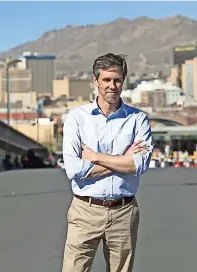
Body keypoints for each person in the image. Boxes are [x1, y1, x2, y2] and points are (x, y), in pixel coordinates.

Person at [62, 53, 153, 272]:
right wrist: (123, 158)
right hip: (85, 211)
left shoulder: (138, 119)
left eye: (117, 80)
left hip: (124, 212)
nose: (112, 85)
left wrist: (95, 157)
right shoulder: (77, 118)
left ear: (123, 81)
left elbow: (139, 164)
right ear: (96, 81)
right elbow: (74, 170)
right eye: (106, 80)